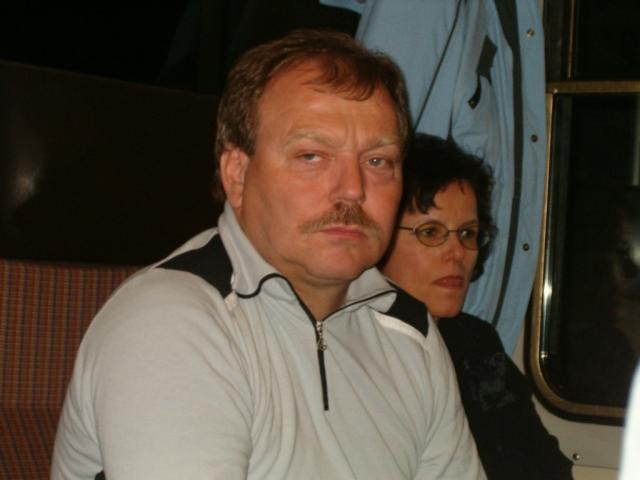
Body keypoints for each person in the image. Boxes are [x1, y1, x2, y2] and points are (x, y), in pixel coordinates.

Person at [52, 30, 485, 479]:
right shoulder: (171, 320)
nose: (353, 189)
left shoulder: (410, 331)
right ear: (237, 174)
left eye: (378, 161)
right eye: (312, 156)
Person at [381, 133, 574, 480]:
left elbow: (548, 466)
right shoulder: (356, 350)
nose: (457, 253)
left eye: (468, 234)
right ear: (378, 238)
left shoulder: (475, 342)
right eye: (430, 232)